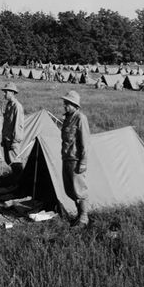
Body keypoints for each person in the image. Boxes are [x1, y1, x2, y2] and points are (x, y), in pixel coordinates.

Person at [61, 90, 90, 228]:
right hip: (66, 158)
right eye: (65, 103)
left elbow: (85, 142)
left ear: (74, 105)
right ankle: (79, 215)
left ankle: (84, 218)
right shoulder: (67, 118)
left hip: (76, 160)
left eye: (67, 103)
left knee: (79, 190)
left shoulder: (80, 118)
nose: (65, 105)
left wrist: (83, 162)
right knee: (70, 190)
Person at [1, 82, 25, 168]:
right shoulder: (8, 105)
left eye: (6, 92)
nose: (4, 94)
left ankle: (19, 176)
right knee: (9, 161)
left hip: (13, 140)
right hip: (7, 138)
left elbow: (18, 125)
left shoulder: (17, 106)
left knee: (15, 162)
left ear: (12, 93)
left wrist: (15, 141)